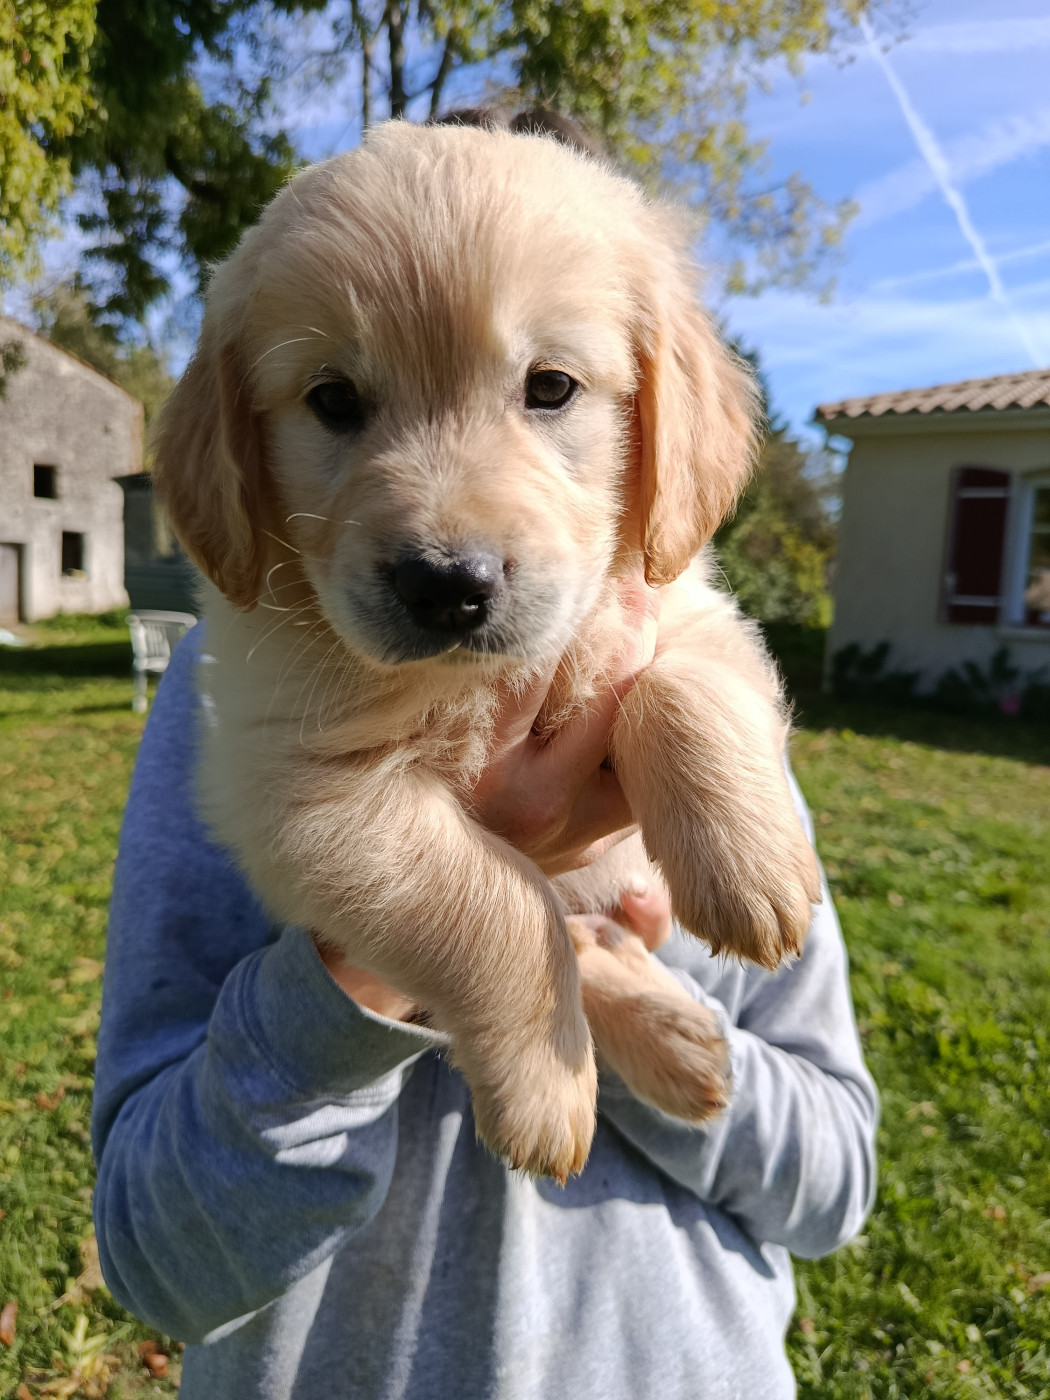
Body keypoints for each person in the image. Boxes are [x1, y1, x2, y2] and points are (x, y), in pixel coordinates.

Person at [92, 580, 877, 1398]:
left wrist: (614, 979)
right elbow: (157, 1261)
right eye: (349, 436)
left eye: (547, 436)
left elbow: (833, 1187)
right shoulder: (241, 660)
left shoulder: (701, 670)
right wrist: (414, 943)